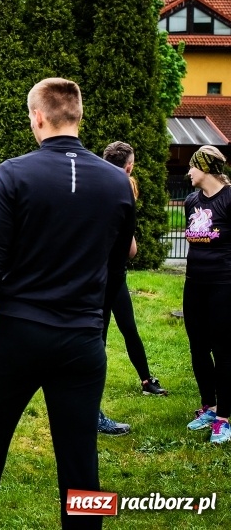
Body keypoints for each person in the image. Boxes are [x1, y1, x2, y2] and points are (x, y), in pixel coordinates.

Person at [0, 78, 135, 529]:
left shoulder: (15, 172)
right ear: (78, 115)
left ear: (37, 117)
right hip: (80, 337)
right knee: (80, 459)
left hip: (19, 332)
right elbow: (117, 269)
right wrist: (96, 327)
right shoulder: (117, 181)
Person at [101, 141, 168, 397]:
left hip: (107, 275)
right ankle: (144, 381)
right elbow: (131, 250)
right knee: (117, 330)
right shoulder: (123, 187)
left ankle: (145, 380)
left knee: (108, 331)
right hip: (107, 275)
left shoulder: (96, 184)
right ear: (129, 167)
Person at [182, 145, 231, 444]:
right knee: (198, 347)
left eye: (192, 167)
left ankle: (224, 418)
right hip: (194, 284)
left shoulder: (230, 198)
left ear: (205, 168)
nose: (188, 172)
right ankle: (209, 406)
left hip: (224, 285)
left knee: (224, 350)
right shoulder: (191, 201)